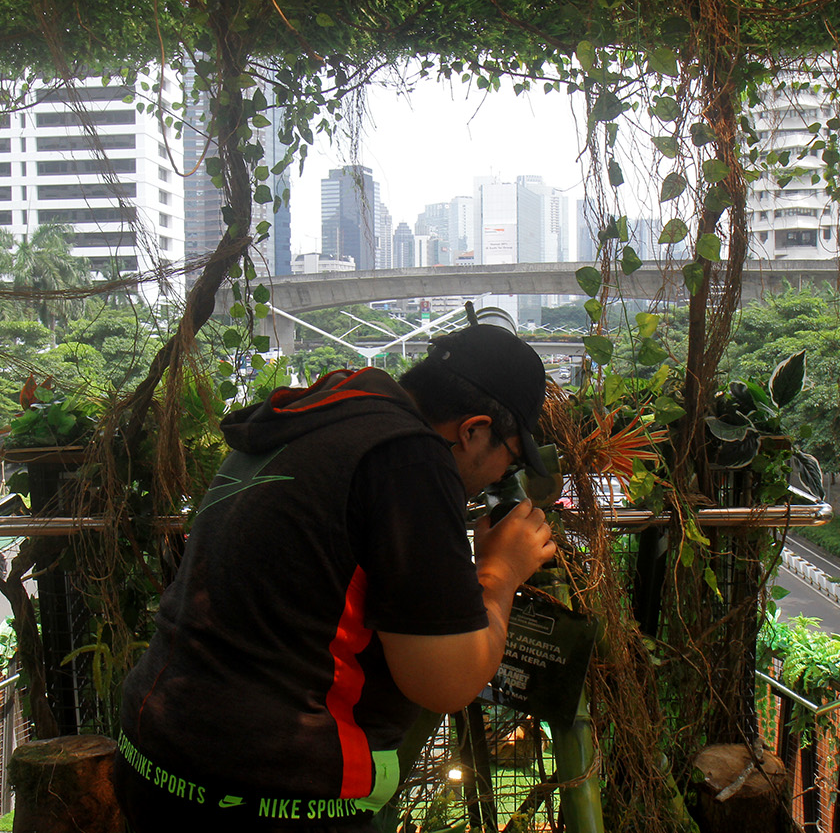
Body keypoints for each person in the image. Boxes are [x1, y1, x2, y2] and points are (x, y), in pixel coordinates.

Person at [115, 324, 554, 832]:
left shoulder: (320, 415)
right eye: (510, 461)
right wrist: (501, 572)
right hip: (266, 791)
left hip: (155, 756)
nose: (500, 477)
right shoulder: (410, 458)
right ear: (473, 430)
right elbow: (446, 682)